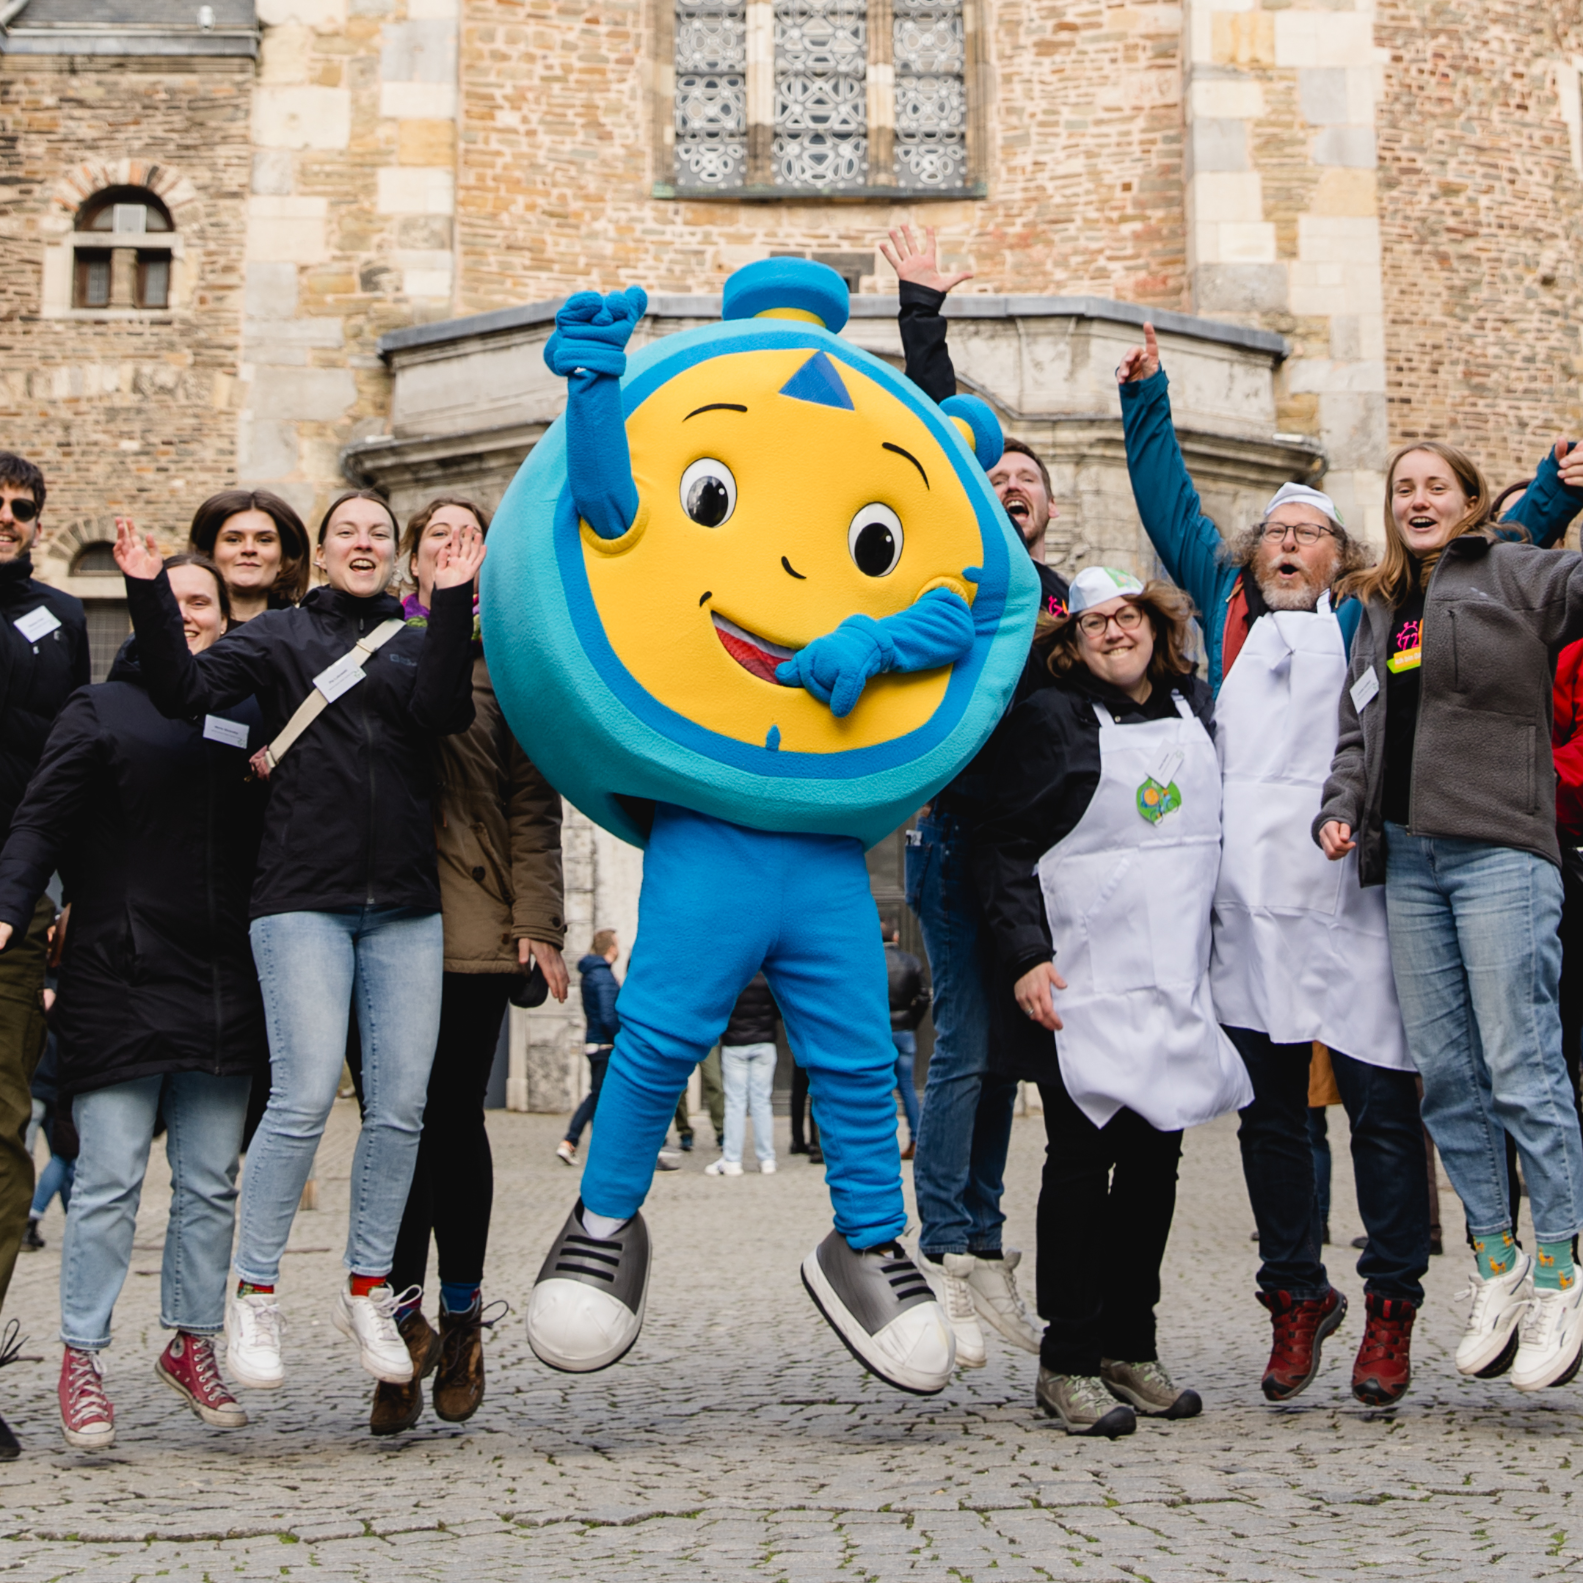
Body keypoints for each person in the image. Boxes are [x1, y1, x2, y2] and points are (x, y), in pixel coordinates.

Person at [1116, 324, 1583, 1405]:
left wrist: (1556, 487)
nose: (1286, 546)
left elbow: (1496, 558)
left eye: (1307, 533)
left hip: (1374, 890)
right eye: (1273, 534)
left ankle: (1395, 1301)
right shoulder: (1236, 606)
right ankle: (1296, 1293)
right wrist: (1145, 402)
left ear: (1342, 555)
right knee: (1276, 1114)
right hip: (1261, 903)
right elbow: (1172, 506)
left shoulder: (1373, 607)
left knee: (1392, 1103)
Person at [112, 492, 480, 1401]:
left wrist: (449, 600)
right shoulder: (277, 637)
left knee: (401, 1107)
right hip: (301, 898)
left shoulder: (414, 636)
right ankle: (255, 1292)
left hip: (405, 903)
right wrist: (148, 592)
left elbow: (442, 712)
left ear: (394, 555)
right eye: (346, 531)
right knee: (305, 1092)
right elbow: (184, 691)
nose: (363, 542)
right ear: (319, 553)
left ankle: (369, 1289)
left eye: (378, 534)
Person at [1317, 440, 1583, 1393]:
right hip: (1407, 859)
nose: (1416, 499)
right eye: (1403, 487)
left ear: (1469, 502)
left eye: (1435, 486)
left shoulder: (1519, 571)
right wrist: (1339, 805)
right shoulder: (1377, 605)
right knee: (1447, 1077)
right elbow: (1357, 730)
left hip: (1500, 849)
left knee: (1521, 1063)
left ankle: (1559, 1269)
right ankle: (1495, 1258)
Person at [0, 554, 268, 1449]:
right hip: (119, 971)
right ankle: (81, 1354)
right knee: (109, 1177)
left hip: (222, 977)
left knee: (209, 1180)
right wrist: (10, 907)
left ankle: (191, 1341)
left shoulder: (248, 712)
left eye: (202, 602)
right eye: (173, 598)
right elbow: (40, 819)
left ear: (225, 621)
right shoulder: (99, 708)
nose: (186, 614)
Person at [974, 566, 1250, 1436]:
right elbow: (1002, 842)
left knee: (1154, 1166)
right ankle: (1067, 1357)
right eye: (1094, 623)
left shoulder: (1193, 708)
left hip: (1172, 981)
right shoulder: (1050, 718)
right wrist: (1026, 954)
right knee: (1078, 1163)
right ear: (1074, 642)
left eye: (1126, 616)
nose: (1113, 633)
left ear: (1154, 626)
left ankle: (1131, 1344)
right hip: (1083, 984)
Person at [880, 224, 1066, 1367]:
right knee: (964, 1044)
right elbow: (935, 428)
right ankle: (946, 1243)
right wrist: (921, 316)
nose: (1009, 488)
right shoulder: (957, 574)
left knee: (1000, 1052)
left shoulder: (1063, 600)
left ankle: (981, 1240)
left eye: (1026, 482)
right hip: (957, 837)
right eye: (994, 480)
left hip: (1038, 855)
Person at [367, 495, 569, 1437]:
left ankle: (459, 1319)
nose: (453, 548)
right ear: (412, 560)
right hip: (374, 919)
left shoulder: (512, 665)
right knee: (390, 1126)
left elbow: (532, 804)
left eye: (471, 537)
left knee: (450, 1118)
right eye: (436, 536)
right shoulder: (371, 648)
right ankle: (395, 1325)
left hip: (471, 919)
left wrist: (539, 921)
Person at [0, 451, 88, 1460]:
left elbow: (70, 774)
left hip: (16, 910)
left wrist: (65, 894)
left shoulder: (60, 620)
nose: (9, 518)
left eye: (24, 507)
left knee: (2, 1133)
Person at [187, 489, 311, 621]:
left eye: (264, 540)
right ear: (208, 552)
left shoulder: (306, 630)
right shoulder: (179, 627)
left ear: (284, 558)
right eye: (233, 540)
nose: (249, 549)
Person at [706, 973, 780, 1177]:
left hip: (735, 1043)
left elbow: (718, 1008)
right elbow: (779, 1009)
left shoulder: (731, 976)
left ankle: (732, 1160)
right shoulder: (768, 976)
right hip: (764, 1041)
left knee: (735, 1103)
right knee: (762, 1101)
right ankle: (767, 1159)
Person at [560, 929, 620, 1167]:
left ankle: (599, 1149)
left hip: (594, 1043)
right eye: (616, 944)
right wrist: (619, 1039)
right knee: (597, 1096)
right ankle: (569, 1140)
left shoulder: (591, 973)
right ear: (611, 948)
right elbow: (608, 1016)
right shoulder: (603, 975)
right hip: (604, 1044)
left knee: (600, 1096)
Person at [884, 920, 928, 1160]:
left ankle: (883, 1144)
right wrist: (911, 1021)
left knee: (879, 1089)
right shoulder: (910, 962)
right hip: (904, 1032)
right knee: (907, 1087)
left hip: (880, 1034)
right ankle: (916, 1139)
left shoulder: (870, 962)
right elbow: (923, 996)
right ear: (897, 937)